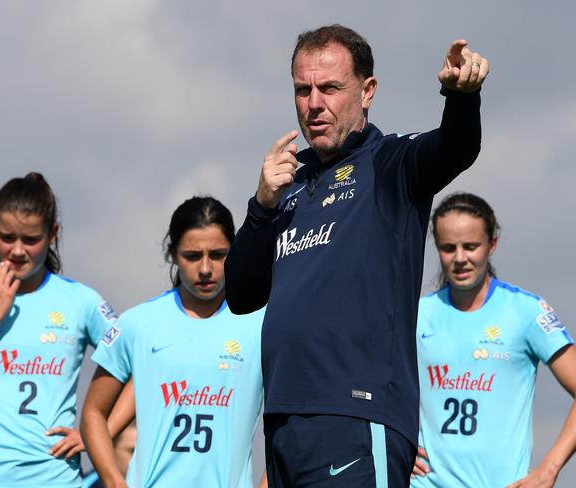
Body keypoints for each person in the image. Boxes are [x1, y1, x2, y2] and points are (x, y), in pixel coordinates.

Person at [224, 24, 489, 487]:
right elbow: (242, 295)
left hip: (357, 415)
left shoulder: (391, 163)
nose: (314, 104)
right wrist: (262, 206)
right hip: (284, 421)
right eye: (302, 90)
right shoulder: (290, 183)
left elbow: (455, 147)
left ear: (367, 91)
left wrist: (461, 98)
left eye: (329, 88)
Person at [0, 172, 117, 487]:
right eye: (7, 237)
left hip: (51, 477)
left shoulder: (81, 301)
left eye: (30, 240)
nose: (17, 251)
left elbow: (140, 363)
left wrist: (100, 429)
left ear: (53, 234)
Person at [81, 196, 267, 488]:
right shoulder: (138, 323)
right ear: (172, 253)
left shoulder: (262, 323)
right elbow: (93, 413)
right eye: (192, 256)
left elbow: (290, 419)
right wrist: (114, 481)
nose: (205, 268)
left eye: (218, 254)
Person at [411, 192, 576, 487]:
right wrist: (396, 448)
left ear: (492, 244)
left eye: (471, 246)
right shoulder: (417, 314)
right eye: (449, 248)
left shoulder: (526, 312)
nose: (460, 258)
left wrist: (549, 469)